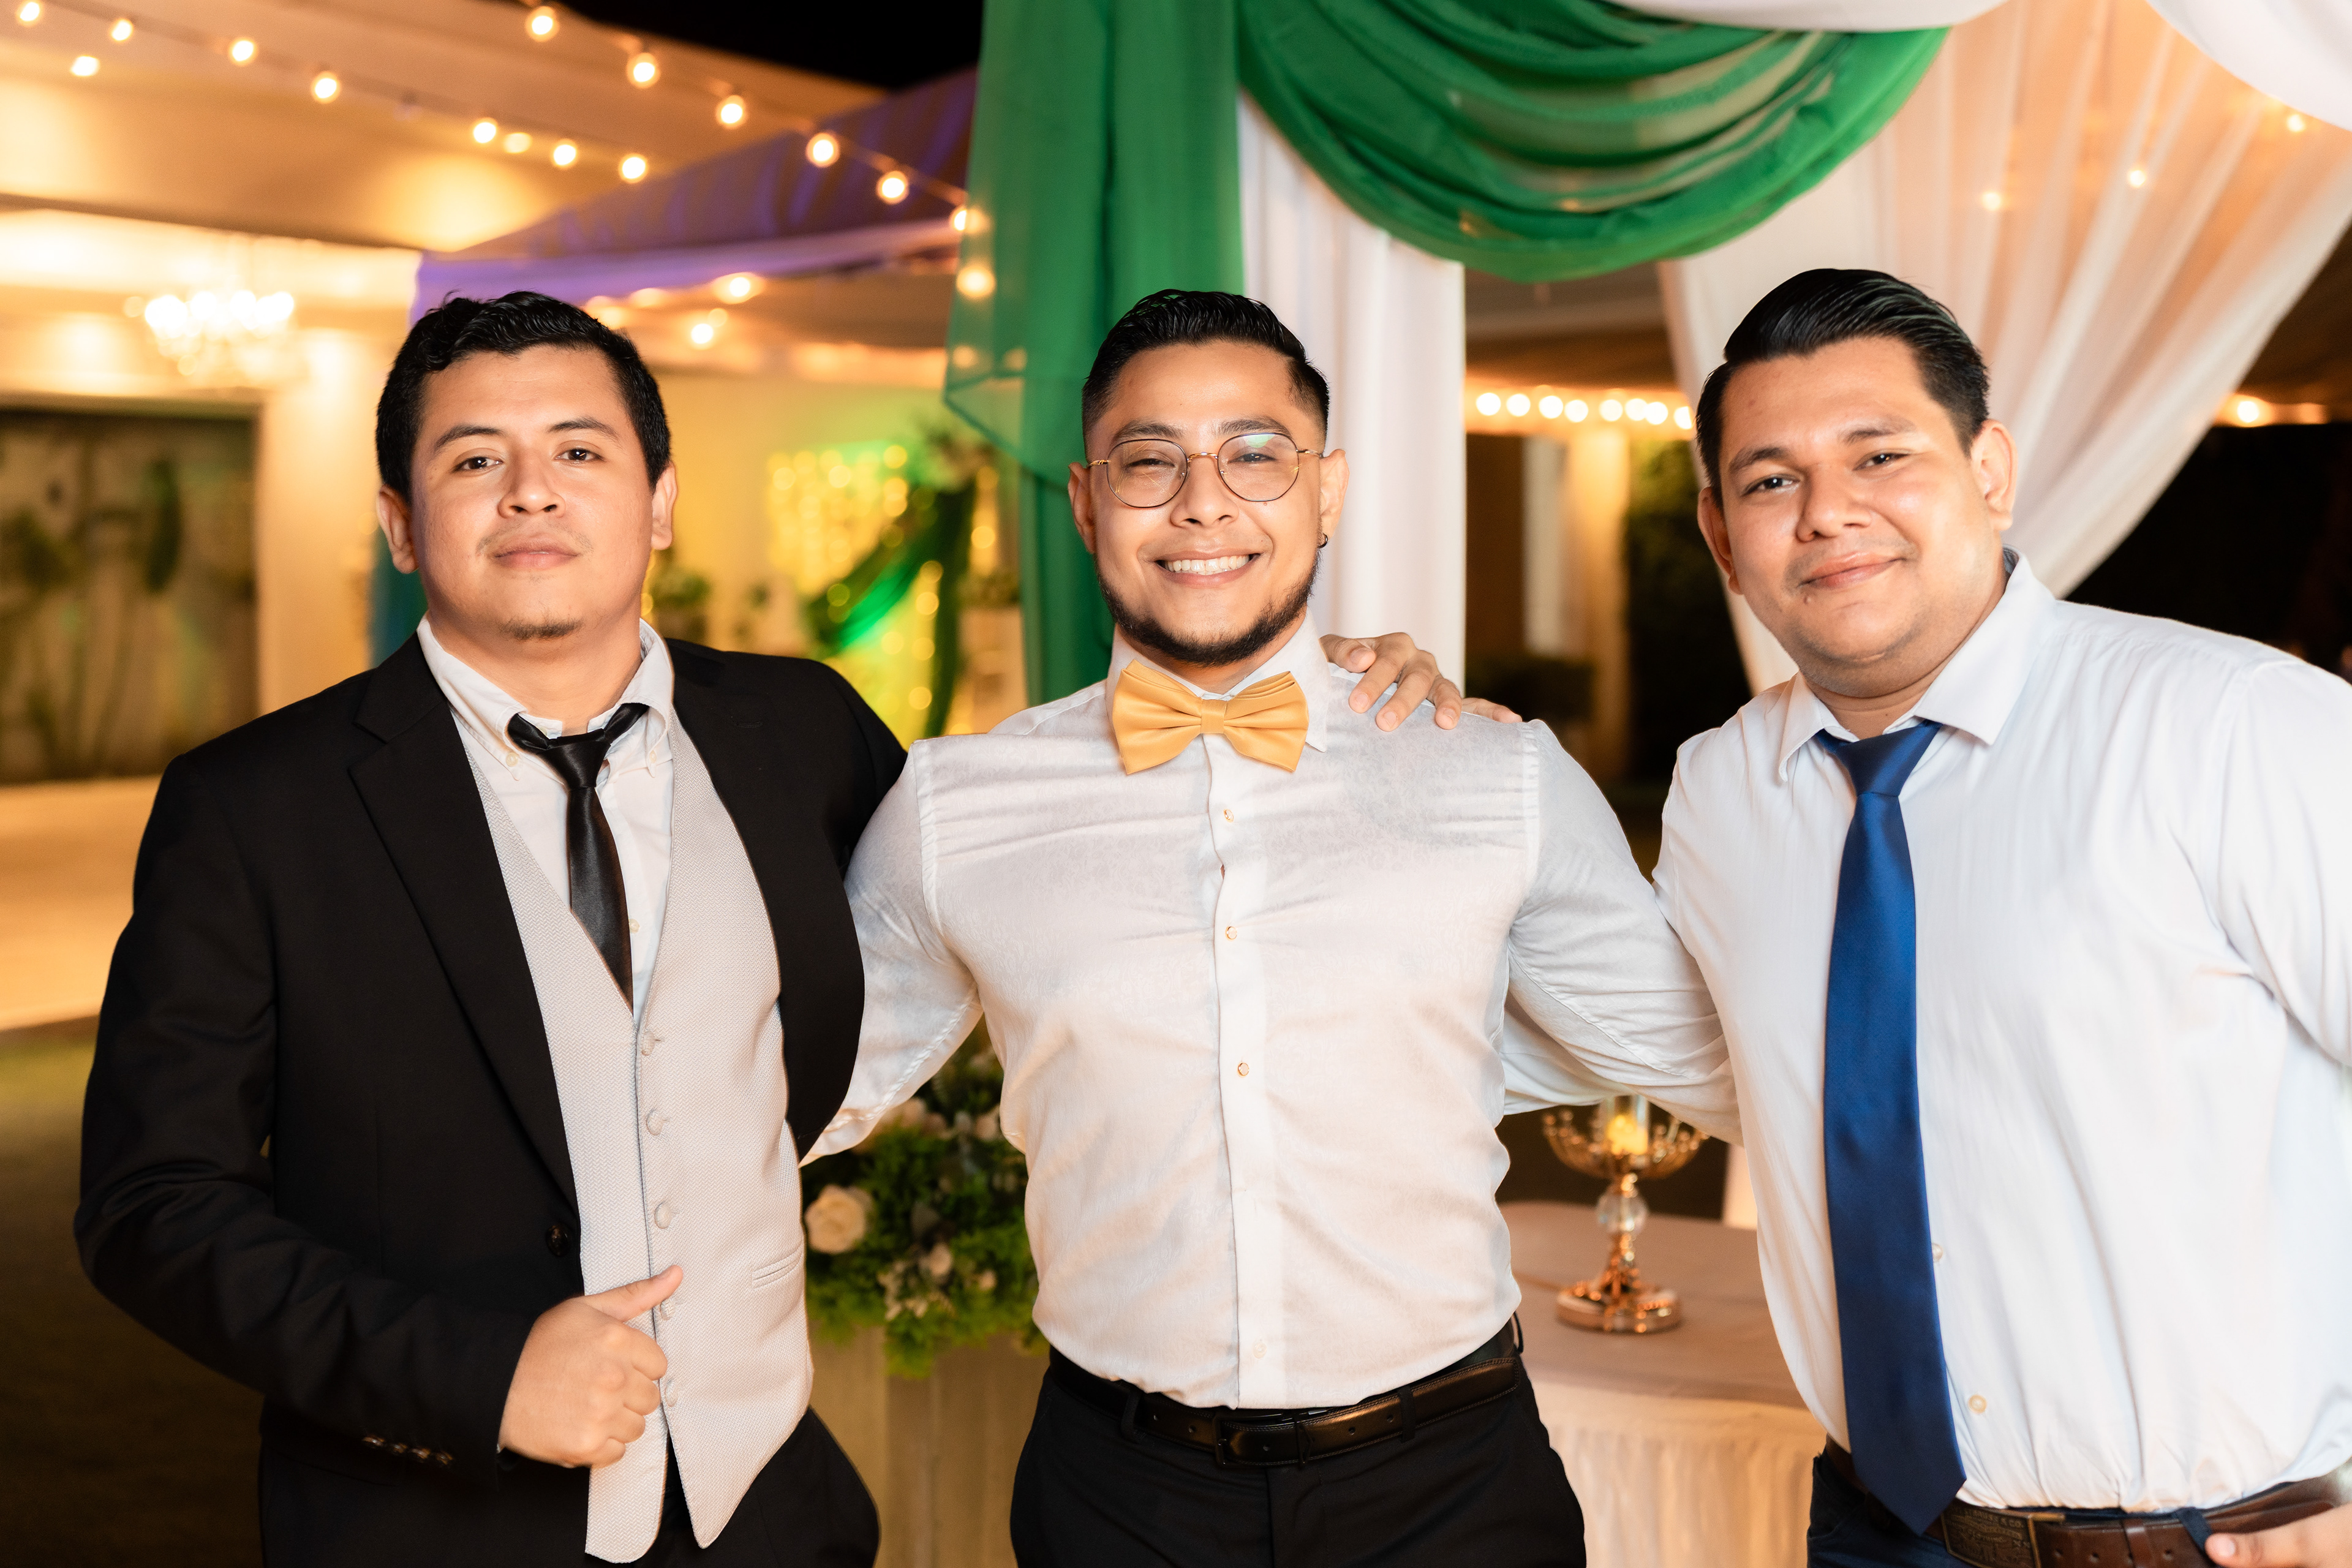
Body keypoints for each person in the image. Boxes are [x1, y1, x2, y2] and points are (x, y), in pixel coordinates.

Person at [74, 290, 1471, 1567]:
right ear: (399, 522)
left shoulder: (801, 732)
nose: (530, 491)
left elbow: (1069, 857)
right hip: (427, 1525)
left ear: (660, 499)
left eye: (579, 450)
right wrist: (474, 1375)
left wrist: (1329, 680)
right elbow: (153, 1205)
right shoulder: (254, 807)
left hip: (773, 1514)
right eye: (473, 459)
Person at [810, 288, 1740, 1568]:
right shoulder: (953, 805)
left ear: (1327, 490)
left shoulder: (1497, 772)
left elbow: (1712, 1056)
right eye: (1150, 461)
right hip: (1119, 1497)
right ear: (1086, 502)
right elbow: (793, 1098)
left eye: (1256, 455)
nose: (1204, 503)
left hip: (1454, 1485)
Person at [1660, 268, 2352, 1568]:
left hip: (2215, 1542)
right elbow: (1700, 1063)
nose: (1827, 511)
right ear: (1720, 532)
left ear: (1990, 471)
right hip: (1873, 1529)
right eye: (1770, 479)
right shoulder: (1719, 793)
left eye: (1880, 455)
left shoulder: (2233, 727)